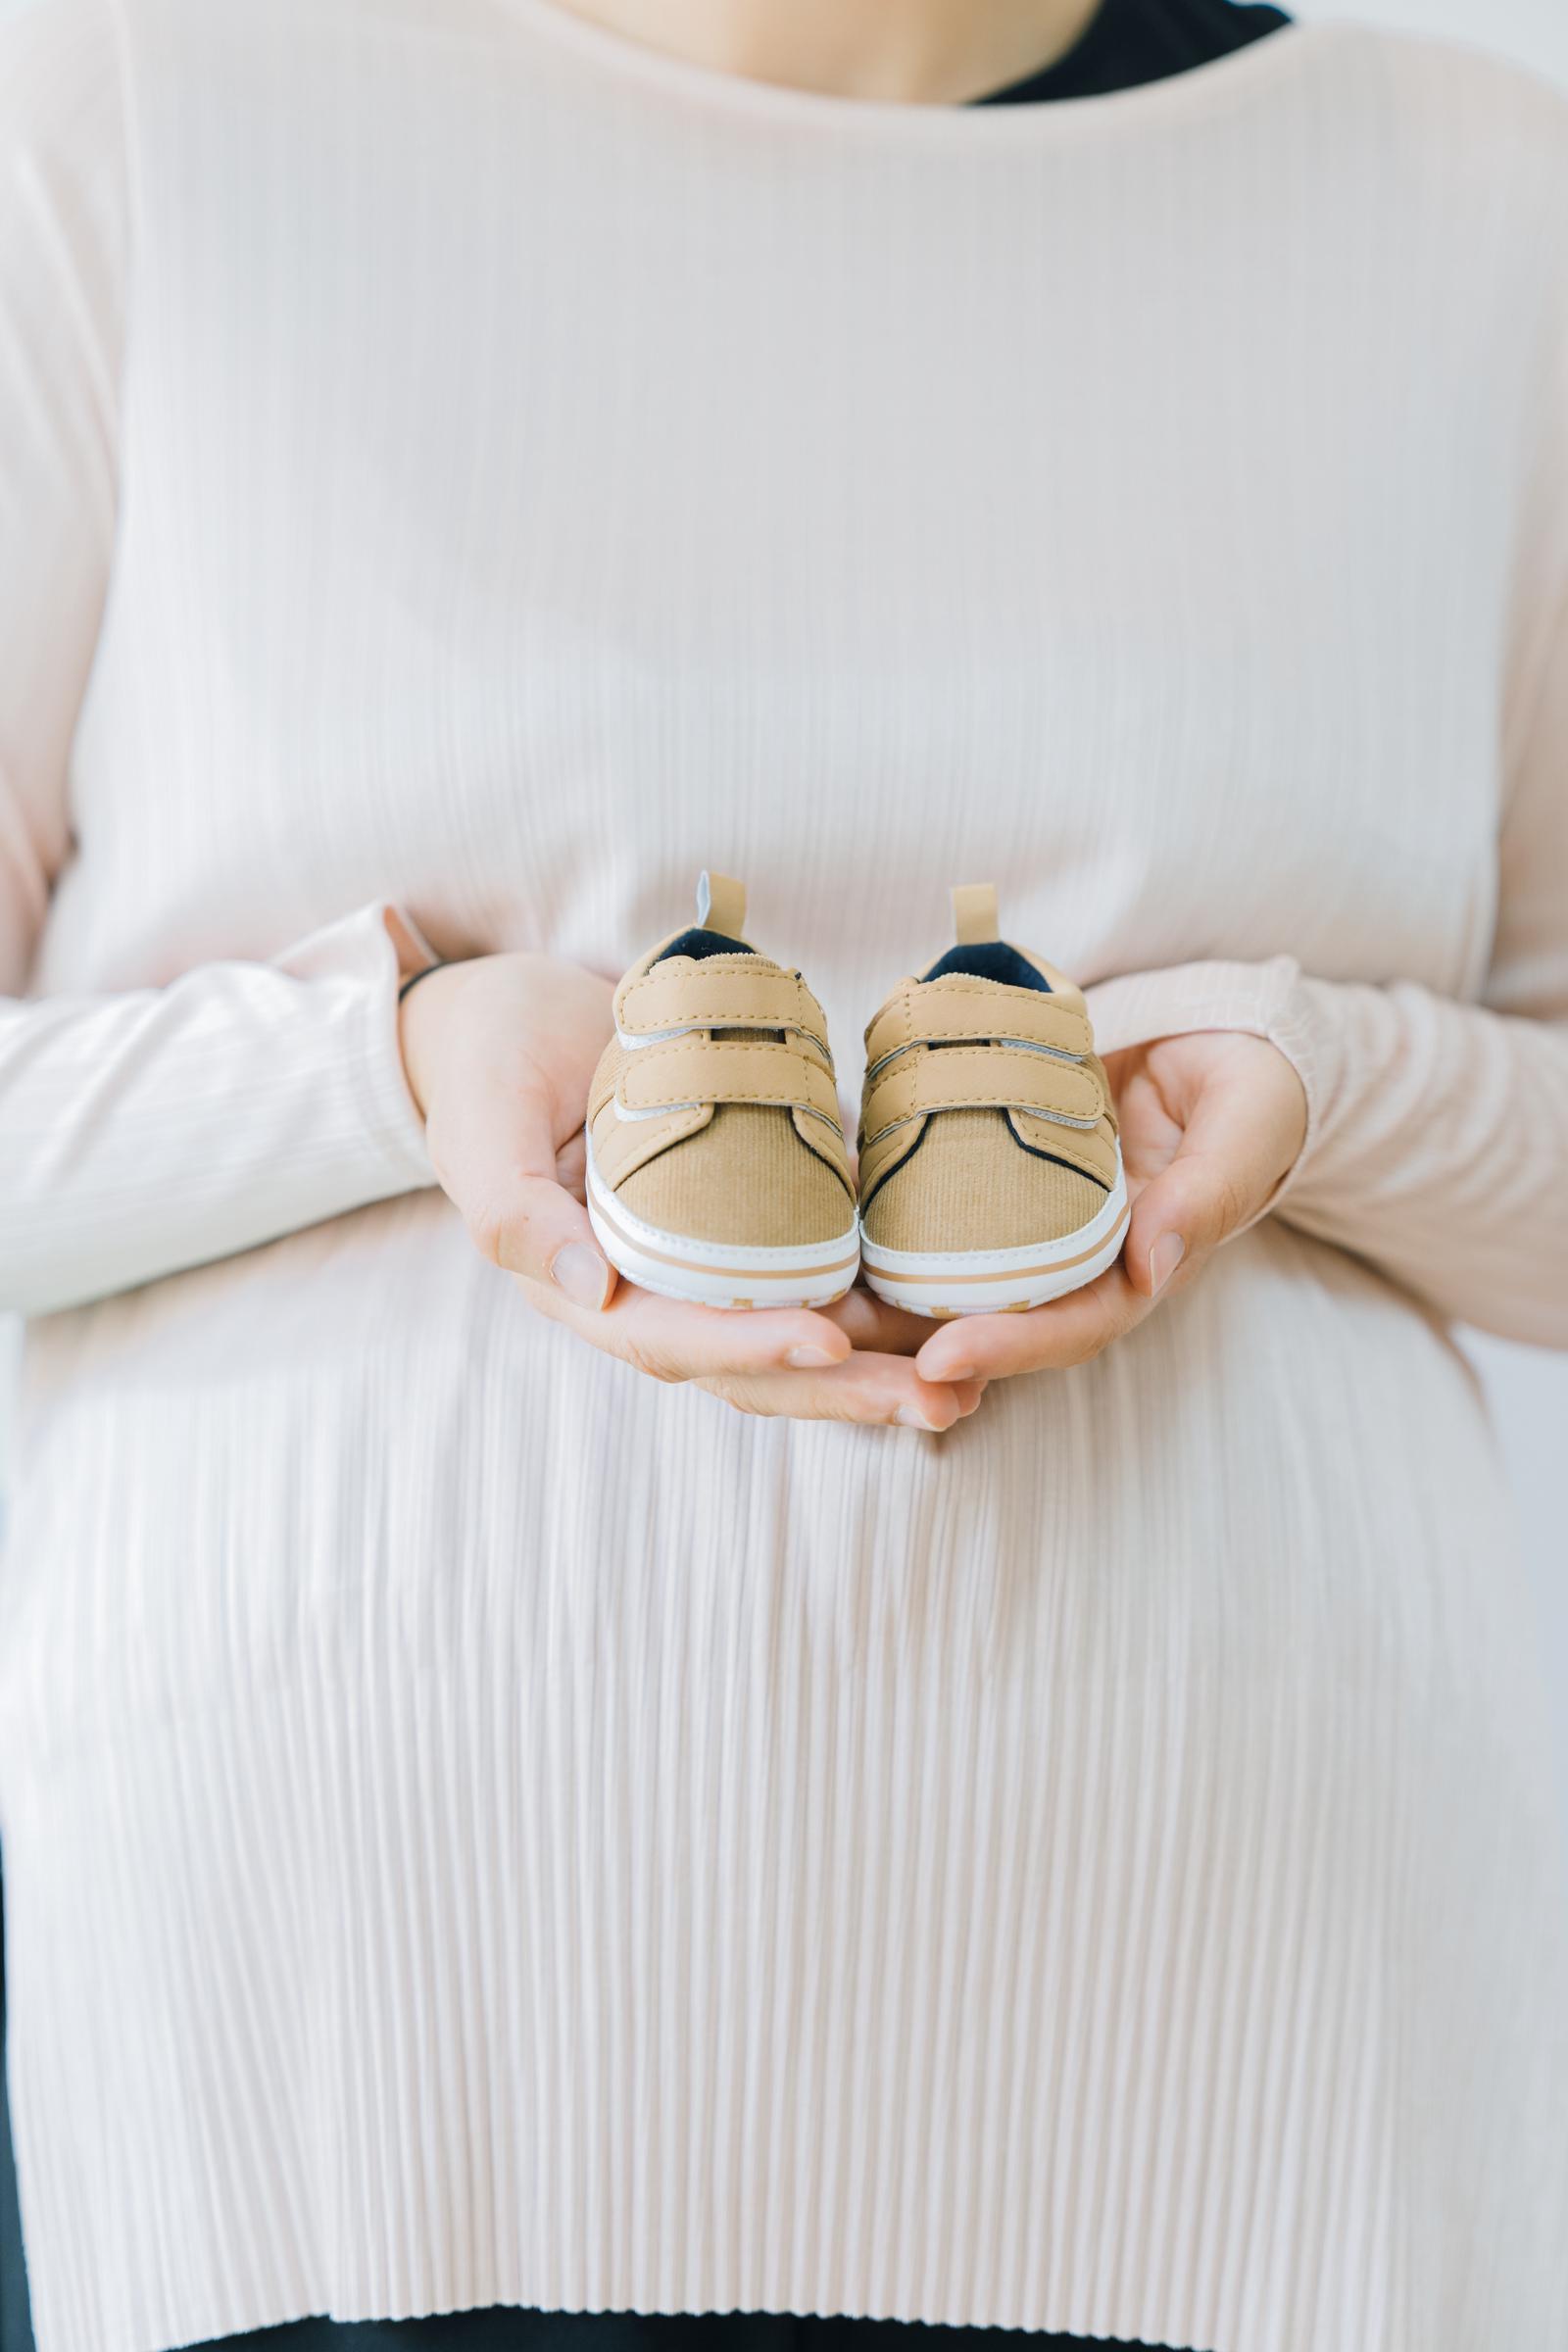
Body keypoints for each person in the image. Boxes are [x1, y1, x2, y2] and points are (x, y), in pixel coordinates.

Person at [1, 0, 1565, 2348]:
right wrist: (384, 1055)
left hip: (1250, 2072)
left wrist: (1311, 1073)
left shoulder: (1473, 205)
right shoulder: (145, 105)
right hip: (351, 2079)